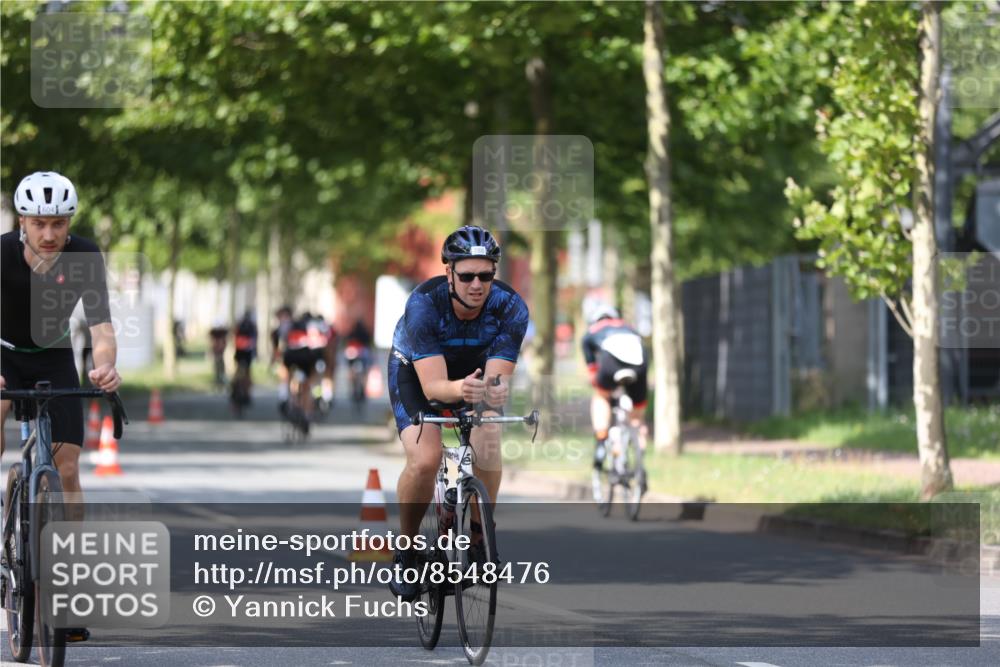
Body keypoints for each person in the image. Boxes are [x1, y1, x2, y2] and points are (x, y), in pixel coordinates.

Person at [0, 171, 122, 643]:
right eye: (38, 223)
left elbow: (101, 328)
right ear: (22, 222)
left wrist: (105, 366)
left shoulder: (85, 256)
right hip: (4, 353)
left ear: (69, 222)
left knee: (67, 466)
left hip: (53, 357)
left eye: (58, 223)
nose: (48, 233)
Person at [387, 225, 529, 601]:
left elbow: (495, 379)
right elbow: (434, 387)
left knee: (489, 434)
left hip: (475, 372)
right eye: (466, 276)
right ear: (449, 273)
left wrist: (492, 390)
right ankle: (406, 550)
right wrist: (460, 390)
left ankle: (480, 538)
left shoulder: (511, 307)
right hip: (418, 372)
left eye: (486, 275)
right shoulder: (423, 304)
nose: (477, 285)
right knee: (425, 458)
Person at [580, 304, 649, 477]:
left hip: (610, 362)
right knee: (637, 415)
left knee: (601, 396)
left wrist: (598, 383)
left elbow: (592, 373)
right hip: (640, 363)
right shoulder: (629, 327)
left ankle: (601, 439)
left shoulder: (592, 332)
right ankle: (640, 459)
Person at [231, 309, 258, 410]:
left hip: (239, 352)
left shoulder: (239, 325)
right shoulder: (252, 326)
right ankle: (246, 392)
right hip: (247, 353)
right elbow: (254, 341)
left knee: (238, 371)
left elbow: (234, 337)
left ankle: (235, 386)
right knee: (247, 373)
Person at [343, 318, 372, 404]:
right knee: (365, 371)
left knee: (351, 370)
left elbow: (347, 342)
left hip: (352, 354)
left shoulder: (351, 333)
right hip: (363, 354)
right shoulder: (366, 333)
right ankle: (363, 388)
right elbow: (369, 345)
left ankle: (353, 387)